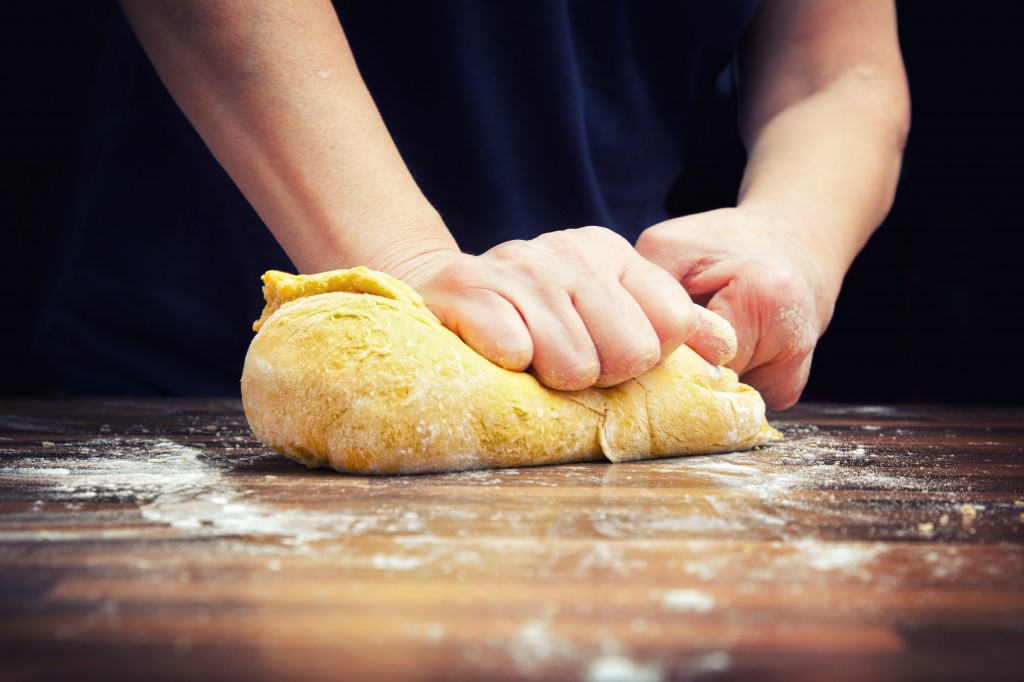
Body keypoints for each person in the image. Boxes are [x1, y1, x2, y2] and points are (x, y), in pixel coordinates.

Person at [36, 0, 909, 408]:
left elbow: (836, 70)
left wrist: (788, 235)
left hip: (613, 366)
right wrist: (411, 263)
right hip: (203, 378)